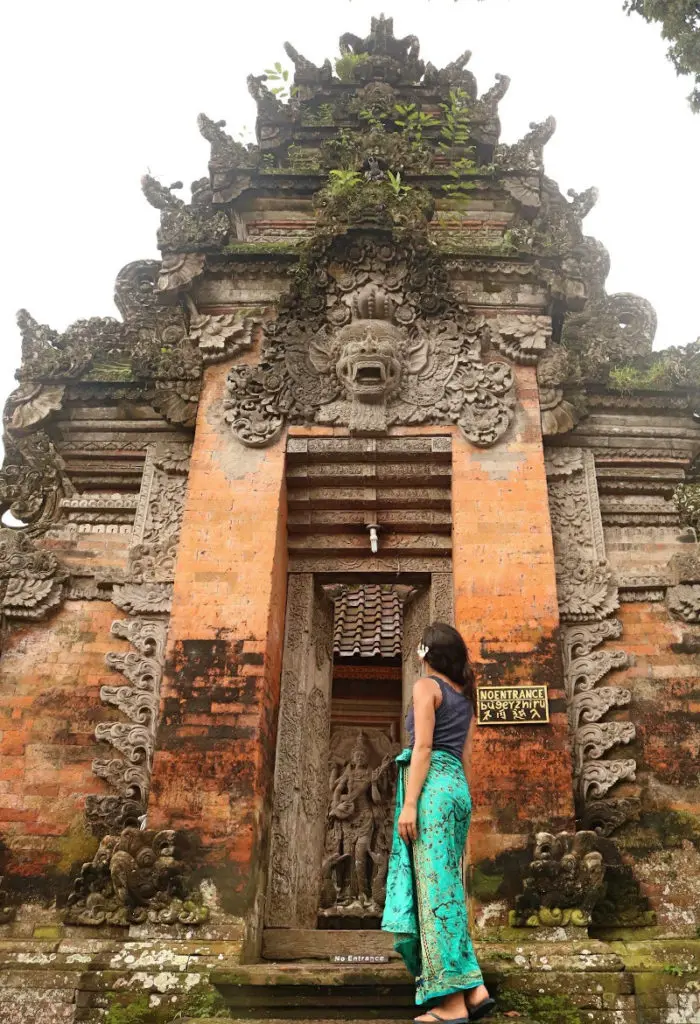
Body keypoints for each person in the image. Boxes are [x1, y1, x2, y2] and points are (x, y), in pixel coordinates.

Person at [381, 622, 495, 1023]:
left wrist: (409, 804)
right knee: (447, 889)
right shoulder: (465, 694)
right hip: (457, 790)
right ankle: (475, 989)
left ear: (428, 653)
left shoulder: (426, 687)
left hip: (431, 789)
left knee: (434, 897)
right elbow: (457, 752)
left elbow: (424, 747)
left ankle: (448, 1005)